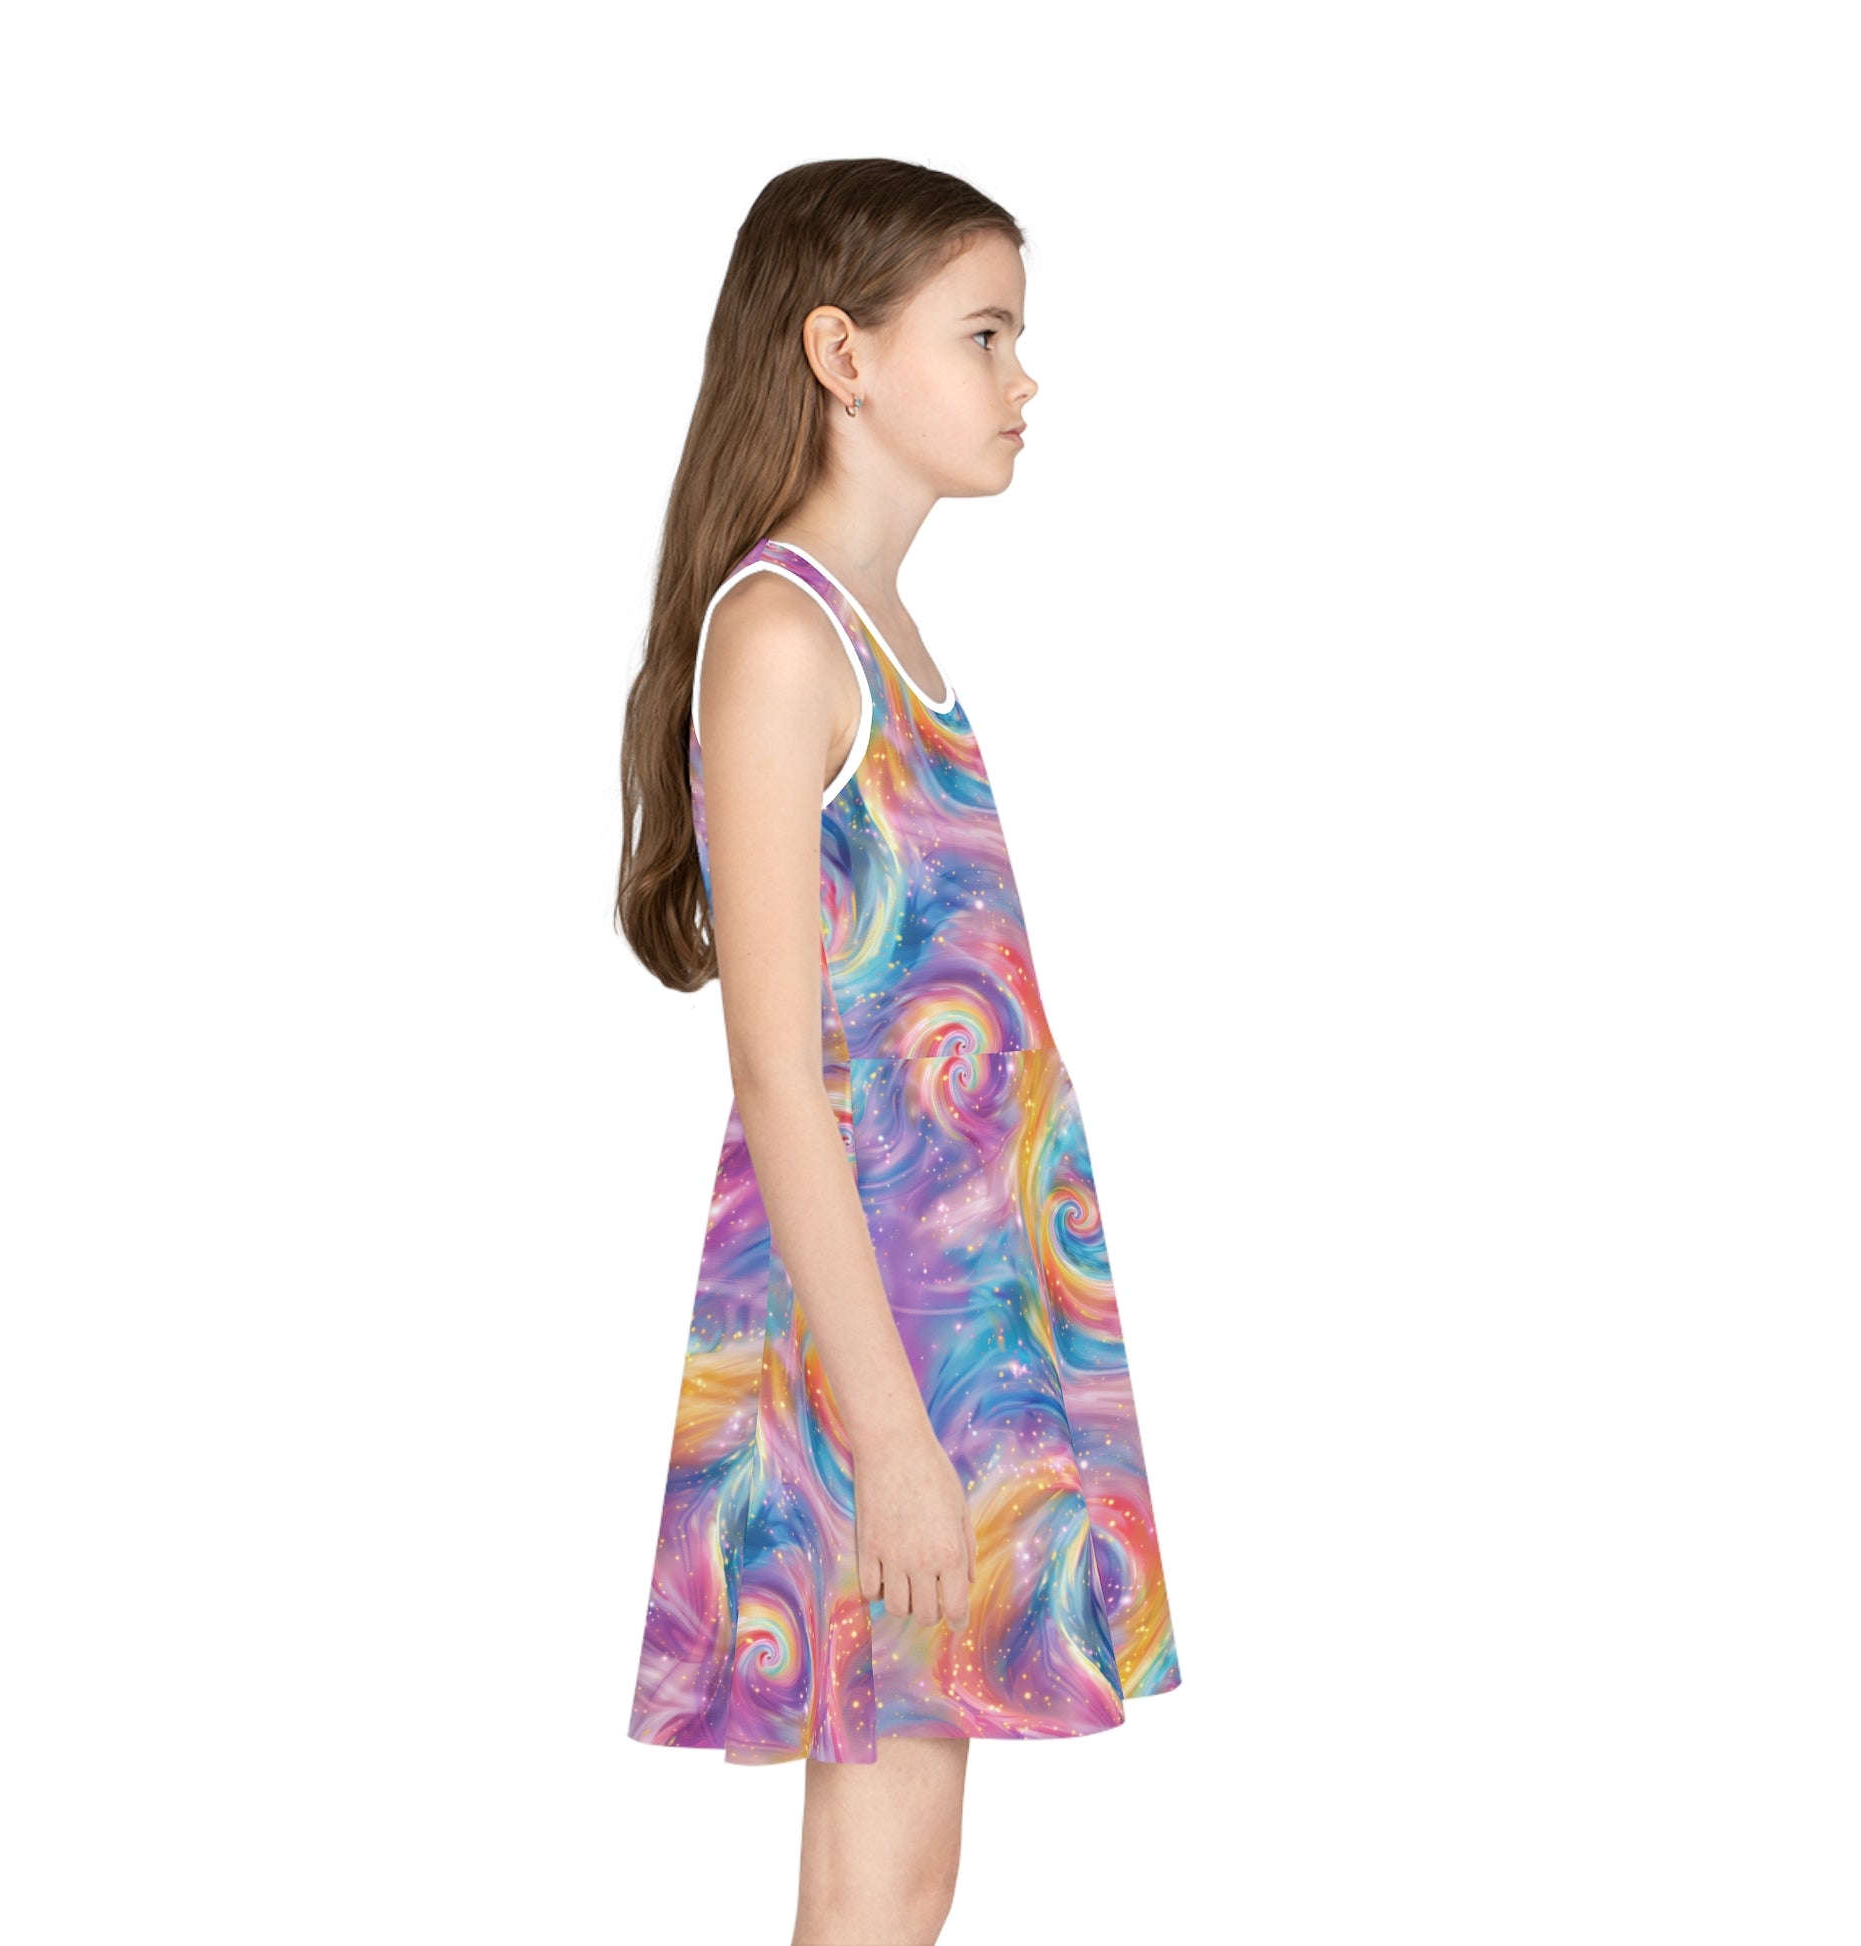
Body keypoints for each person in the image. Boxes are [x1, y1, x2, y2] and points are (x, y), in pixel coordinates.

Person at [614, 157, 1183, 1946]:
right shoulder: (783, 636)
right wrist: (892, 1434)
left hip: (958, 1321)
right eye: (985, 335)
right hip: (884, 1345)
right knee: (883, 1885)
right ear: (841, 355)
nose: (1024, 379)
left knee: (896, 1876)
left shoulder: (879, 637)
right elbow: (778, 1072)